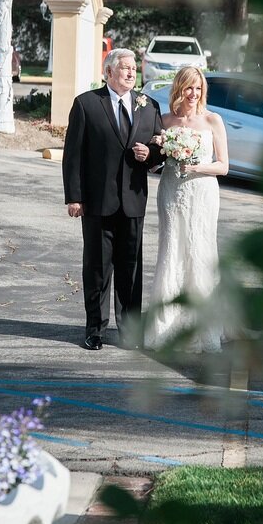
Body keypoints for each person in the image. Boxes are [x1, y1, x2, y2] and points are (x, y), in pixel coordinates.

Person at [62, 48, 163, 351]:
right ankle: (95, 329)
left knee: (130, 269)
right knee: (97, 268)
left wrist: (150, 155)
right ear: (108, 72)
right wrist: (74, 197)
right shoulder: (87, 104)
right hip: (97, 202)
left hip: (133, 201)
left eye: (134, 69)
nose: (132, 73)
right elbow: (73, 156)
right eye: (125, 68)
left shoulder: (149, 106)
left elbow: (160, 147)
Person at [144, 66, 229, 353]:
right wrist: (156, 156)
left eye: (198, 89)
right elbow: (156, 162)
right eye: (188, 88)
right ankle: (166, 326)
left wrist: (194, 166)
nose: (193, 94)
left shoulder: (213, 120)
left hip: (203, 193)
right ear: (178, 89)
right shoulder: (166, 120)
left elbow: (223, 166)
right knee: (172, 251)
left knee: (201, 253)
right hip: (171, 191)